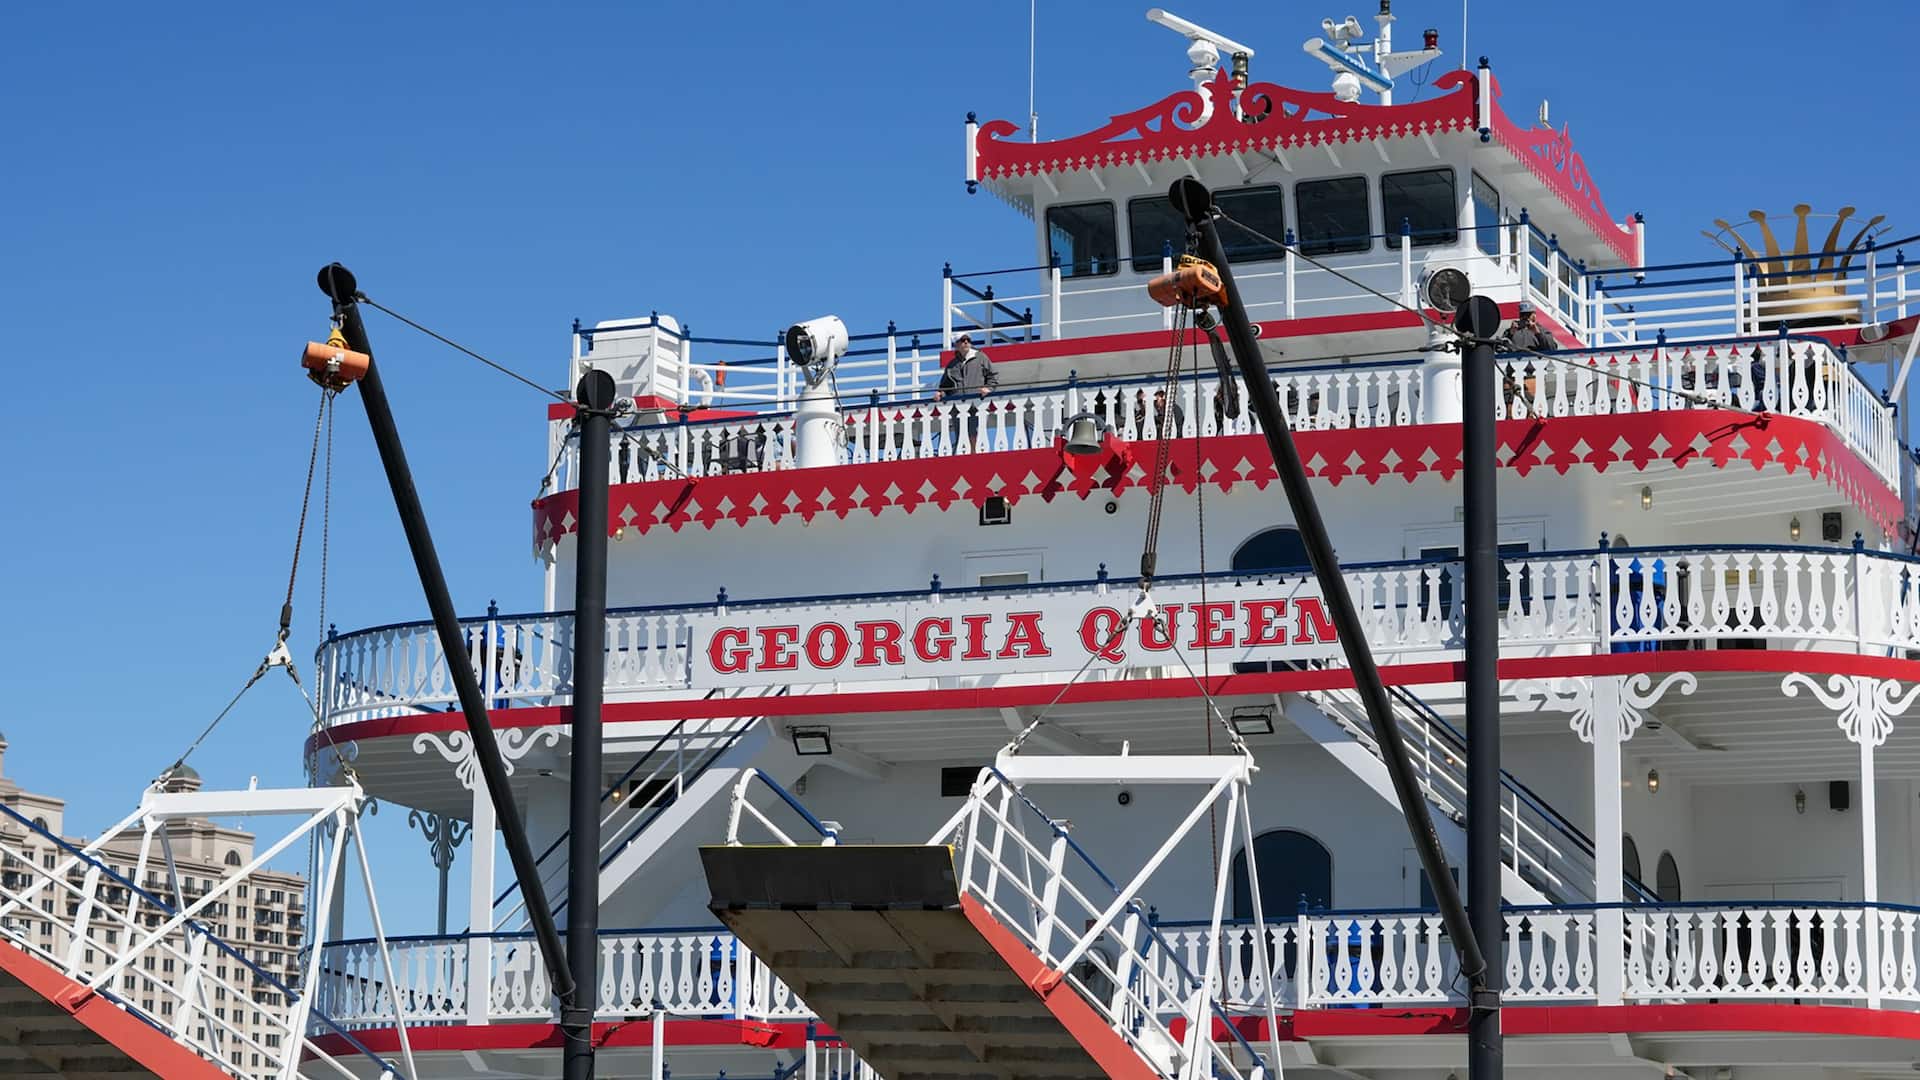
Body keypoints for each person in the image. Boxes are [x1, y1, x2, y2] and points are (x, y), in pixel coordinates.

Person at [933, 334, 999, 399]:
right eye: (963, 340)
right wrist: (940, 394)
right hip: (958, 404)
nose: (966, 342)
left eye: (968, 340)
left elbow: (993, 376)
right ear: (956, 344)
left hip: (978, 402)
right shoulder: (951, 365)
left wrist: (988, 388)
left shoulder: (981, 357)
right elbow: (945, 387)